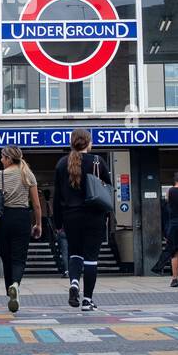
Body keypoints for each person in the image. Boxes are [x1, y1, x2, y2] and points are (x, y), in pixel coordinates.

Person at [53, 128, 111, 312]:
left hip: (71, 216)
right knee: (91, 258)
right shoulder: (97, 161)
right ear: (88, 142)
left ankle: (75, 282)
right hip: (94, 215)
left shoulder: (62, 164)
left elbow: (57, 197)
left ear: (72, 142)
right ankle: (87, 300)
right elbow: (107, 189)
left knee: (75, 253)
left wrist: (58, 223)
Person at [0, 145, 43, 313]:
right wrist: (38, 224)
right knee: (19, 258)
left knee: (6, 257)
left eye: (2, 157)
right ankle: (16, 284)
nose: (0, 160)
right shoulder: (27, 174)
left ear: (8, 158)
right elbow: (36, 204)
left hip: (4, 218)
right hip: (22, 217)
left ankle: (9, 291)